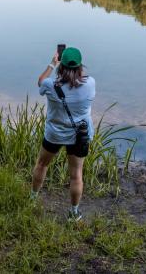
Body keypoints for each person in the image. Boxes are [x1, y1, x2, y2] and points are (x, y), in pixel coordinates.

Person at [31, 46, 96, 221]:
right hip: (79, 135)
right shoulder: (90, 83)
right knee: (76, 175)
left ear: (62, 65)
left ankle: (32, 199)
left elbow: (40, 81)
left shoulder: (50, 85)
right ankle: (74, 213)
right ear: (80, 66)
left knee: (42, 164)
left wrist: (52, 64)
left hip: (54, 134)